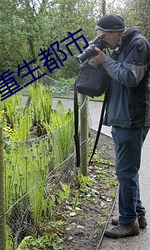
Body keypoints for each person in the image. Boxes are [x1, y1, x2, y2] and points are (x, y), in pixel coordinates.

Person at [92, 15, 150, 238]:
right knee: (127, 171)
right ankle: (137, 214)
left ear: (117, 32)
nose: (103, 41)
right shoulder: (121, 46)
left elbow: (129, 77)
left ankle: (128, 223)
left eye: (104, 37)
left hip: (132, 118)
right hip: (122, 117)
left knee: (125, 171)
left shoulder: (138, 44)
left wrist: (105, 61)